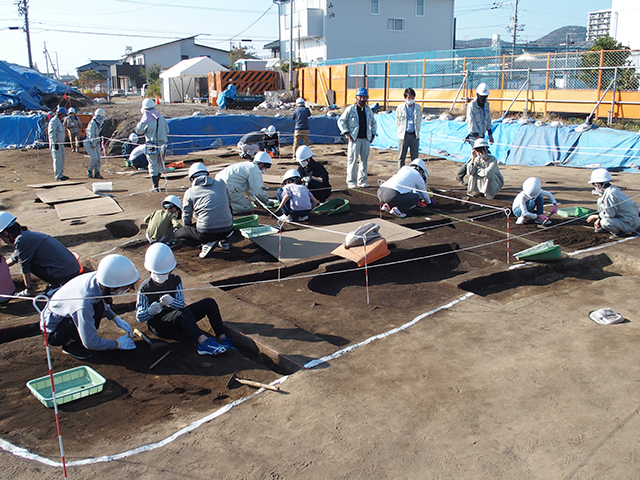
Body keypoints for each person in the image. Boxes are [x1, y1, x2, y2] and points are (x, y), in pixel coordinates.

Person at [136, 243, 233, 355]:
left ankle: (222, 337)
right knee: (183, 313)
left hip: (177, 318)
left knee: (209, 303)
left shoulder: (175, 280)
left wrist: (172, 302)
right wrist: (149, 311)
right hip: (160, 325)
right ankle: (203, 343)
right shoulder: (145, 288)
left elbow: (181, 304)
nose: (162, 276)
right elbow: (139, 317)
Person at [40, 254, 139, 360]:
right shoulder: (84, 304)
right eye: (125, 287)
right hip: (53, 332)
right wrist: (116, 344)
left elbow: (100, 298)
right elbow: (91, 343)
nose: (126, 289)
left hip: (64, 314)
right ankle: (70, 344)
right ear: (112, 285)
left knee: (98, 307)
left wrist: (115, 318)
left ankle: (78, 336)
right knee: (95, 310)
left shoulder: (99, 278)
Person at [0, 212, 81, 297]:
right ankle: (56, 284)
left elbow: (24, 265)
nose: (3, 241)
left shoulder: (22, 240)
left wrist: (28, 289)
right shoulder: (26, 235)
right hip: (69, 269)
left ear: (5, 233)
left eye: (1, 237)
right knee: (26, 258)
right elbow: (15, 258)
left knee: (27, 261)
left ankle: (58, 285)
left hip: (65, 273)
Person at [176, 163, 234, 258]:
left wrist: (188, 227)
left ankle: (204, 245)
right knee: (223, 214)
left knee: (179, 234)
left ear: (191, 179)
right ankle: (224, 241)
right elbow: (229, 202)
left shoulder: (190, 192)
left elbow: (187, 215)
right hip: (228, 229)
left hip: (206, 232)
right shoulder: (221, 183)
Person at [455, 83, 494, 185]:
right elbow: (470, 121)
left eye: (485, 97)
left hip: (482, 134)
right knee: (478, 155)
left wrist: (490, 134)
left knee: (476, 155)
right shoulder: (471, 105)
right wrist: (477, 137)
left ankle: (460, 175)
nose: (483, 99)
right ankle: (466, 177)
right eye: (482, 97)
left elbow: (488, 119)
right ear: (477, 95)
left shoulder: (486, 104)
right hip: (474, 135)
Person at [338, 87, 377, 188]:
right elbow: (341, 121)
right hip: (354, 139)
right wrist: (347, 133)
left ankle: (362, 181)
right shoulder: (351, 109)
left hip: (366, 139)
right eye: (361, 97)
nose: (362, 99)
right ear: (356, 98)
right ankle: (351, 181)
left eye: (364, 97)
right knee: (352, 160)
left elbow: (374, 123)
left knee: (364, 160)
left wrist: (372, 134)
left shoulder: (368, 110)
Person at [586, 168, 639, 238]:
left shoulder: (610, 194)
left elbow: (609, 214)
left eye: (594, 185)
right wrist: (599, 218)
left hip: (629, 224)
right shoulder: (612, 190)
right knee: (600, 201)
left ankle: (619, 232)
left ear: (598, 184)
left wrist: (596, 217)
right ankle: (611, 227)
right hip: (625, 219)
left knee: (605, 222)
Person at [135, 98, 169, 192]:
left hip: (151, 145)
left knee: (153, 165)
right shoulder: (161, 119)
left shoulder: (146, 120)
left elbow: (138, 131)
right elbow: (167, 130)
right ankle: (157, 185)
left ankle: (155, 186)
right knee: (159, 164)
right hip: (163, 145)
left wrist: (141, 121)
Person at [396, 88, 421, 171]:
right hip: (404, 135)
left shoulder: (418, 107)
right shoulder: (400, 108)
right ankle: (400, 174)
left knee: (415, 157)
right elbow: (398, 121)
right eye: (409, 98)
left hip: (414, 135)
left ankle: (414, 174)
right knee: (401, 156)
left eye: (412, 98)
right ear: (405, 98)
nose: (411, 99)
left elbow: (419, 119)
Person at [84, 108, 107, 179]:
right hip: (90, 142)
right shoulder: (93, 123)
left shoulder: (99, 123)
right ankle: (89, 170)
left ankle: (97, 172)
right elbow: (91, 134)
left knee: (98, 159)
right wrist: (92, 143)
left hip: (96, 143)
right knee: (94, 158)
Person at [48, 106, 68, 181]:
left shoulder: (59, 122)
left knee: (61, 159)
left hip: (61, 143)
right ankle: (58, 175)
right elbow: (52, 133)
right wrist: (54, 143)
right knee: (57, 159)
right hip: (56, 143)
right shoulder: (53, 121)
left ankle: (61, 173)